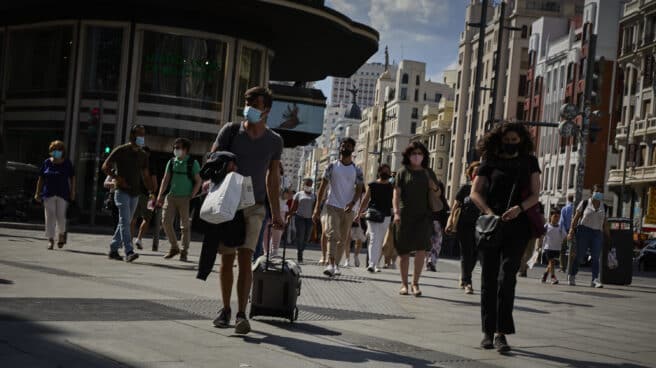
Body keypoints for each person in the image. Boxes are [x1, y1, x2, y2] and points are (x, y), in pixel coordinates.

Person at [209, 86, 283, 335]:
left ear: (267, 110)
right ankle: (225, 309)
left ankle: (241, 313)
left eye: (255, 104)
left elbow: (273, 179)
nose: (249, 107)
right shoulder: (230, 131)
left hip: (255, 206)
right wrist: (224, 162)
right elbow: (211, 158)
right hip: (228, 203)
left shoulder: (274, 141)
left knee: (246, 257)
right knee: (227, 258)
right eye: (247, 102)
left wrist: (278, 213)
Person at [470, 122, 541, 352]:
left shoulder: (529, 161)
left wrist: (519, 209)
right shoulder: (489, 160)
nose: (511, 144)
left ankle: (502, 334)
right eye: (507, 140)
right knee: (488, 279)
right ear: (499, 140)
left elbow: (535, 194)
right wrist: (490, 213)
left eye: (515, 140)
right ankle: (487, 333)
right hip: (491, 226)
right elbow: (475, 193)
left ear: (522, 140)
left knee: (506, 277)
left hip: (518, 226)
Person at [392, 142, 440, 297]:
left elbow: (438, 194)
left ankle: (415, 283)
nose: (417, 156)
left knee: (421, 250)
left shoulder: (428, 172)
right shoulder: (402, 172)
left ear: (424, 155)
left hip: (423, 216)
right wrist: (397, 213)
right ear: (408, 155)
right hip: (404, 216)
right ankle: (404, 284)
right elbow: (396, 195)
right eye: (414, 153)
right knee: (403, 252)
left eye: (420, 153)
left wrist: (434, 187)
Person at [312, 137, 364, 277]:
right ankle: (330, 263)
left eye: (348, 146)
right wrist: (317, 207)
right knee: (332, 234)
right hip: (332, 205)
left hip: (349, 209)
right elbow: (322, 188)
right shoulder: (331, 166)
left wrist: (352, 203)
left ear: (353, 149)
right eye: (342, 145)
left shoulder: (357, 170)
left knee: (343, 238)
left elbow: (359, 189)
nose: (344, 147)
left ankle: (336, 265)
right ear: (339, 148)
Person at [102, 125, 154, 262]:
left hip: (135, 193)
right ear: (132, 135)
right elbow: (105, 166)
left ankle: (113, 249)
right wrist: (117, 177)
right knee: (125, 221)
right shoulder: (121, 150)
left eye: (144, 134)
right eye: (139, 134)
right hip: (121, 191)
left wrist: (151, 192)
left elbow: (146, 176)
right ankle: (129, 251)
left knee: (124, 222)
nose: (142, 137)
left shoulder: (143, 155)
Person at [156, 138, 202, 262]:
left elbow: (198, 181)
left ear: (186, 149)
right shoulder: (171, 162)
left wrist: (193, 194)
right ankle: (174, 247)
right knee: (165, 221)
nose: (176, 149)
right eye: (175, 147)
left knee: (185, 226)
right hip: (171, 196)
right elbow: (165, 180)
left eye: (179, 147)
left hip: (186, 198)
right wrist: (160, 195)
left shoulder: (192, 162)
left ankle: (184, 251)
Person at [446, 161, 480, 294]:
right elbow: (455, 207)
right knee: (466, 252)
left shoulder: (485, 189)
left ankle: (464, 275)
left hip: (479, 226)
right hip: (464, 224)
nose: (477, 174)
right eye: (474, 172)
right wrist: (450, 221)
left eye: (479, 172)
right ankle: (468, 282)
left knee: (475, 254)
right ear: (470, 174)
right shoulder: (464, 189)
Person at [34, 140, 75, 249]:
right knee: (49, 216)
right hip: (48, 193)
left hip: (63, 193)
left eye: (59, 149)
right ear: (51, 151)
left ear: (62, 151)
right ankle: (51, 239)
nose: (56, 151)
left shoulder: (67, 163)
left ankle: (61, 235)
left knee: (61, 216)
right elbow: (41, 178)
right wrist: (37, 193)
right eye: (54, 149)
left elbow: (72, 177)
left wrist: (72, 192)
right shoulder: (47, 162)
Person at [567, 185, 610, 288]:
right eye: (597, 191)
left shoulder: (604, 207)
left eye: (600, 191)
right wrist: (571, 230)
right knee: (580, 256)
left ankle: (594, 279)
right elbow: (576, 218)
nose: (599, 193)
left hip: (597, 233)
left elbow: (605, 223)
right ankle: (572, 275)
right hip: (584, 231)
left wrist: (608, 236)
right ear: (592, 193)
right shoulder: (585, 203)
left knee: (596, 257)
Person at [359, 164, 393, 272]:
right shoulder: (372, 185)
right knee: (374, 238)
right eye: (384, 171)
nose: (386, 173)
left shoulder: (392, 186)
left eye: (387, 171)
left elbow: (395, 200)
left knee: (380, 240)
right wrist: (360, 212)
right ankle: (371, 264)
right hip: (373, 213)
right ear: (379, 172)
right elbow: (365, 199)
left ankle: (376, 264)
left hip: (386, 215)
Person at [131, 146, 158, 250]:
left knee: (133, 218)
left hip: (135, 194)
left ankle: (129, 240)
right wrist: (153, 193)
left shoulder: (135, 165)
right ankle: (139, 239)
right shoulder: (151, 166)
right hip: (149, 195)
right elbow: (154, 183)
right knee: (147, 218)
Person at [288, 178, 316, 263]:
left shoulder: (314, 195)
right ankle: (299, 253)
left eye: (310, 184)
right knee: (300, 235)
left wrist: (315, 217)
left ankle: (301, 249)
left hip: (309, 219)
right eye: (307, 184)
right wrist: (289, 214)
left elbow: (315, 208)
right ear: (304, 185)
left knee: (306, 237)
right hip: (299, 217)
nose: (308, 186)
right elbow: (294, 206)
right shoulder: (298, 194)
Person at [539, 209, 566, 284]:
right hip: (548, 248)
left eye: (558, 217)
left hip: (557, 248)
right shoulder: (546, 226)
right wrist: (539, 245)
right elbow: (541, 236)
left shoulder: (560, 227)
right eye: (555, 216)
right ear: (551, 217)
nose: (557, 219)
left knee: (551, 263)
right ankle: (553, 277)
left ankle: (545, 275)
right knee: (552, 261)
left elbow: (565, 236)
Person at [427, 181, 449, 272]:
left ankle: (428, 261)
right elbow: (446, 213)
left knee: (428, 244)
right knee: (436, 245)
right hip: (438, 225)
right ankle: (432, 262)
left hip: (428, 223)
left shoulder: (428, 198)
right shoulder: (442, 200)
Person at [266, 188, 291, 257]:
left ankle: (274, 251)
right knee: (268, 233)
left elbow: (289, 196)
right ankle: (267, 251)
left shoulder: (285, 195)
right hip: (271, 212)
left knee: (278, 233)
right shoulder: (276, 192)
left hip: (281, 212)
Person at [559, 194, 575, 272]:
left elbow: (561, 221)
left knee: (563, 250)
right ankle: (571, 267)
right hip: (574, 231)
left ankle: (562, 267)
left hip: (566, 231)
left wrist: (560, 231)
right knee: (572, 250)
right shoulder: (576, 208)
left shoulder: (564, 209)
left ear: (567, 199)